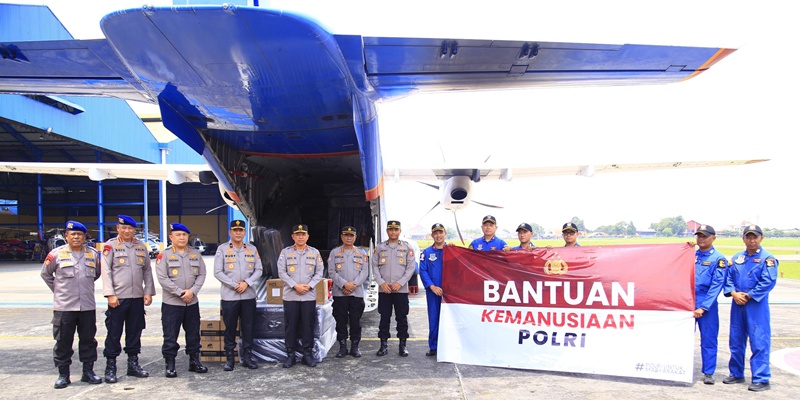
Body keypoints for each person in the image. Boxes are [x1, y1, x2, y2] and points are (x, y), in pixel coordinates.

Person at [40, 220, 102, 389]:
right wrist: (59, 290)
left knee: (88, 340)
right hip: (64, 307)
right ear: (66, 236)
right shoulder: (56, 254)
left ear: (84, 237)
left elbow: (96, 274)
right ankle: (63, 374)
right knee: (63, 341)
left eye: (79, 234)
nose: (76, 237)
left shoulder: (93, 254)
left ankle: (88, 372)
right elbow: (46, 274)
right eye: (72, 234)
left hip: (87, 306)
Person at [100, 214, 155, 383]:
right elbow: (106, 271)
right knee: (114, 333)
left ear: (134, 230)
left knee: (134, 332)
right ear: (118, 228)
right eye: (123, 227)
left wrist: (148, 291)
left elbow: (147, 270)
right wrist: (110, 294)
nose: (127, 231)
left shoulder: (140, 246)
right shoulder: (110, 246)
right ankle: (111, 367)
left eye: (130, 228)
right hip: (118, 298)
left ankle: (133, 365)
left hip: (137, 298)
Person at [723, 225, 778, 392]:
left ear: (761, 238)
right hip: (737, 304)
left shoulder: (767, 259)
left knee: (759, 340)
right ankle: (736, 373)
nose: (751, 240)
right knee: (736, 339)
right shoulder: (737, 258)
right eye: (748, 237)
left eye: (755, 237)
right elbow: (728, 278)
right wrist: (733, 293)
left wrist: (748, 295)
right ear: (743, 239)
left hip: (755, 305)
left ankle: (761, 378)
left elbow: (768, 282)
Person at [155, 222, 208, 378]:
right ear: (171, 237)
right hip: (172, 303)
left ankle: (194, 361)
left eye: (184, 235)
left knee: (193, 334)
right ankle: (170, 364)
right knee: (170, 335)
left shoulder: (195, 254)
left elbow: (202, 275)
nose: (182, 237)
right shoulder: (163, 255)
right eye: (178, 235)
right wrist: (179, 292)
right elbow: (162, 278)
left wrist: (192, 291)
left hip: (191, 302)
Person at [213, 219, 263, 371]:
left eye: (241, 230)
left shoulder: (252, 249)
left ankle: (247, 357)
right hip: (230, 296)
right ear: (230, 232)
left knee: (248, 327)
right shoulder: (222, 249)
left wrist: (246, 283)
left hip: (248, 296)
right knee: (230, 328)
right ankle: (230, 359)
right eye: (235, 230)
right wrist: (235, 285)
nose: (238, 233)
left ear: (244, 232)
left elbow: (259, 270)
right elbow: (218, 272)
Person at [277, 224, 324, 368]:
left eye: (303, 234)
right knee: (291, 325)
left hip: (308, 296)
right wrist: (294, 285)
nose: (301, 237)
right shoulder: (285, 253)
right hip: (291, 295)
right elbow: (281, 272)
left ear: (308, 236)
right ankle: (290, 355)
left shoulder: (314, 253)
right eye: (298, 234)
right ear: (293, 237)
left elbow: (319, 272)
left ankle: (307, 354)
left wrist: (309, 286)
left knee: (307, 326)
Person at [372, 220, 416, 357]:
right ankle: (383, 345)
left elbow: (410, 268)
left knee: (402, 318)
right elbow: (374, 267)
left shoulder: (406, 248)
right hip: (384, 290)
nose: (393, 232)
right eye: (390, 229)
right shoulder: (379, 248)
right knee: (384, 318)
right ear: (387, 231)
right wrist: (381, 283)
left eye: (396, 230)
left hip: (400, 290)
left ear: (399, 231)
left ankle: (402, 345)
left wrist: (400, 283)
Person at [692, 224, 728, 385]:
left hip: (707, 305)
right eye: (699, 236)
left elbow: (716, 286)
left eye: (704, 236)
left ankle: (708, 372)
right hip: (689, 303)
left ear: (713, 238)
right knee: (684, 338)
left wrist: (704, 307)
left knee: (708, 339)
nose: (701, 239)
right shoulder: (691, 255)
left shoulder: (718, 259)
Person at [328, 225, 369, 358]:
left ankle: (355, 347)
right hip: (340, 294)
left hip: (356, 293)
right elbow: (331, 272)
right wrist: (344, 285)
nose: (349, 238)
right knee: (340, 320)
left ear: (355, 237)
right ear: (342, 237)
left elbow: (365, 272)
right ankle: (342, 347)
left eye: (351, 235)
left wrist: (353, 285)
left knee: (355, 321)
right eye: (346, 235)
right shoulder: (334, 253)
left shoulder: (362, 253)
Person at [419, 223, 447, 356]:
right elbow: (422, 270)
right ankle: (434, 346)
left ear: (445, 234)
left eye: (440, 232)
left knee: (448, 319)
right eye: (435, 233)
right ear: (432, 235)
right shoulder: (427, 252)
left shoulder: (452, 250)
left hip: (449, 293)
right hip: (433, 291)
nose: (438, 235)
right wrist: (432, 286)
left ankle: (447, 346)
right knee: (434, 318)